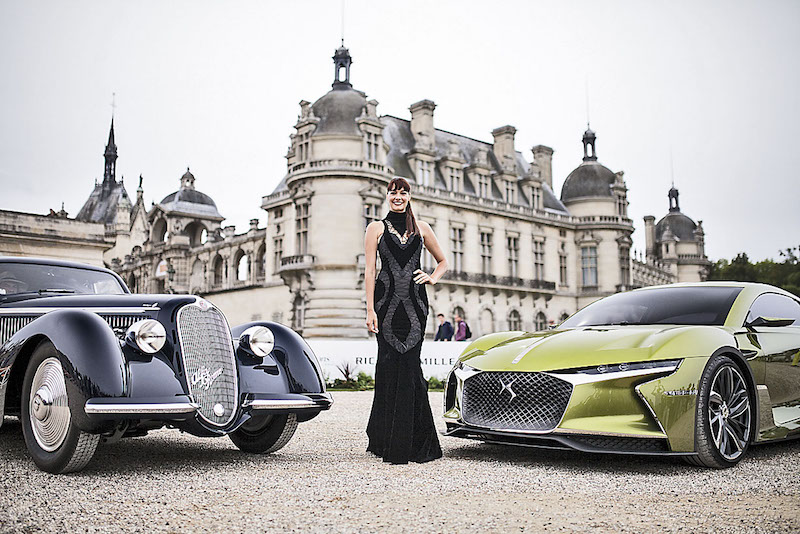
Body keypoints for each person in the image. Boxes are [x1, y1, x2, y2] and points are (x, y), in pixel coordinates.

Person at [364, 177, 447, 464]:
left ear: (409, 197)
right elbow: (369, 271)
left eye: (403, 193)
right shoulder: (375, 229)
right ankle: (386, 441)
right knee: (387, 367)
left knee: (411, 367)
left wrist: (432, 278)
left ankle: (417, 444)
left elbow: (443, 261)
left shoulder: (422, 228)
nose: (397, 197)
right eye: (393, 193)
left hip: (415, 306)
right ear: (387, 196)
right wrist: (369, 310)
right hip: (385, 306)